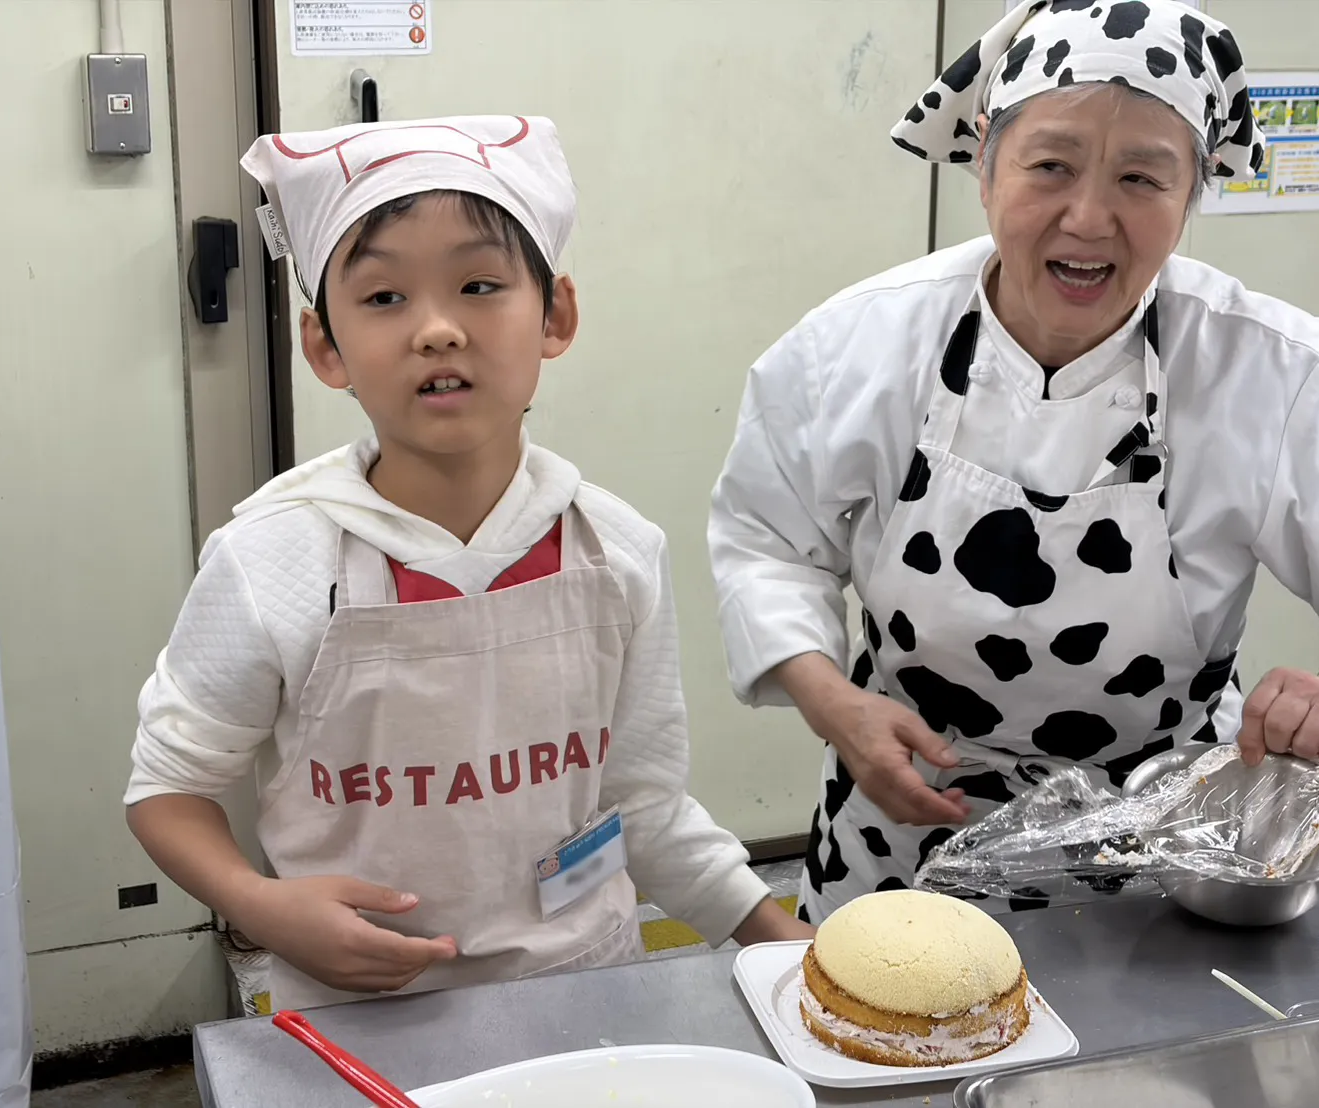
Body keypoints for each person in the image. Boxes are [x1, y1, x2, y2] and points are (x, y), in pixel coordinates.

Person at [708, 0, 1319, 924]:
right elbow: (766, 540)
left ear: (1192, 193)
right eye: (1049, 166)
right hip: (906, 817)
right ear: (983, 162)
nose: (1088, 218)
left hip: (1169, 839)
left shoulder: (1270, 367)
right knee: (886, 1036)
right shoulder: (860, 342)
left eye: (1141, 178)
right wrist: (835, 707)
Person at [125, 115, 810, 1010]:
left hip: (584, 987)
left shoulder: (616, 551)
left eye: (480, 285)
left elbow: (641, 805)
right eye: (383, 299)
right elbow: (167, 788)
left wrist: (789, 948)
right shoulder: (273, 559)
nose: (437, 330)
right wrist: (263, 907)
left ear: (555, 314)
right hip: (358, 1015)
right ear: (324, 347)